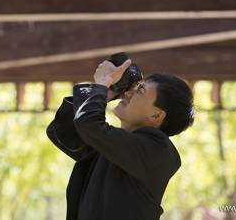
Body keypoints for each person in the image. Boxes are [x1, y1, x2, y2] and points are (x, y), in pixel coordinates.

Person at [46, 59, 195, 219]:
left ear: (156, 115)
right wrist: (105, 94)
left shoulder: (157, 152)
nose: (128, 93)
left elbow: (88, 124)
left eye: (141, 90)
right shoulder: (118, 149)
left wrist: (101, 87)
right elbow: (64, 133)